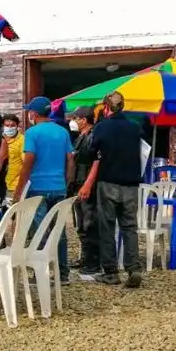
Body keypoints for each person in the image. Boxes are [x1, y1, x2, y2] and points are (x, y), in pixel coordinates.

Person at [78, 91, 144, 288]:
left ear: (106, 108)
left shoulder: (101, 127)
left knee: (107, 227)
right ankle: (134, 269)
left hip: (108, 182)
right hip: (132, 184)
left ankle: (111, 272)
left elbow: (91, 153)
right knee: (129, 227)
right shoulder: (135, 127)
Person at [12, 96, 75, 285]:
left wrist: (19, 189)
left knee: (40, 231)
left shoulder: (32, 133)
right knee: (59, 231)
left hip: (38, 188)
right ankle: (63, 274)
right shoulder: (62, 131)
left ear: (34, 113)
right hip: (59, 188)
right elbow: (70, 159)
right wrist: (66, 181)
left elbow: (28, 161)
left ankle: (42, 272)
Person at [67, 105, 100, 276]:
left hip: (88, 183)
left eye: (76, 118)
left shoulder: (93, 136)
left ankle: (93, 261)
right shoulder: (81, 136)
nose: (73, 121)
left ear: (84, 120)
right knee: (80, 223)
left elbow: (96, 161)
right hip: (78, 183)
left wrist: (87, 184)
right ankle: (85, 256)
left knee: (90, 223)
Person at [0, 114, 24, 201]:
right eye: (7, 125)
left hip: (14, 185)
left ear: (17, 126)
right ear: (2, 126)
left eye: (12, 125)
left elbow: (25, 162)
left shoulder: (22, 140)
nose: (9, 127)